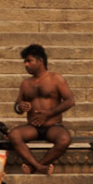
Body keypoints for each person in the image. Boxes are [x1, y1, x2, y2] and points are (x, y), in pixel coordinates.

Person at [8, 44, 75, 174]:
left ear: (40, 61)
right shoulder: (26, 83)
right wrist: (20, 107)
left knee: (64, 139)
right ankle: (39, 167)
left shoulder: (56, 78)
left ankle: (34, 166)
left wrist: (48, 113)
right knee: (14, 135)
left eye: (29, 61)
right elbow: (17, 106)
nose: (26, 65)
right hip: (32, 127)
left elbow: (70, 101)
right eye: (25, 62)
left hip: (53, 126)